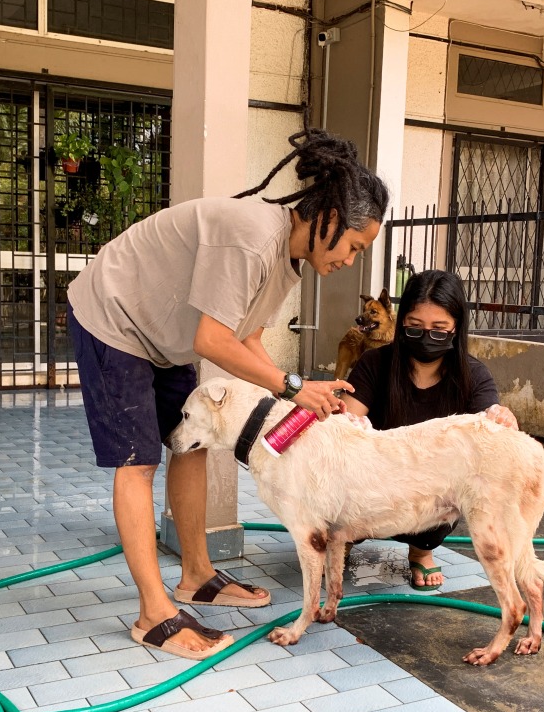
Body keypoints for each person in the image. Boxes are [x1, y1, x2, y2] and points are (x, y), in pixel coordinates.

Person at [66, 129, 389, 660]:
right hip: (114, 318)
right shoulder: (251, 237)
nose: (351, 261)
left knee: (189, 444)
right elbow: (212, 341)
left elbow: (248, 334)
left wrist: (295, 397)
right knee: (138, 459)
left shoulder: (288, 255)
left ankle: (195, 575)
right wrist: (293, 386)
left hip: (163, 338)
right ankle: (152, 614)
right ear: (327, 216)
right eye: (354, 246)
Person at [341, 269, 519, 590]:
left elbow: (489, 418)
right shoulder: (374, 363)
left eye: (439, 329)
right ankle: (344, 536)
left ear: (456, 327)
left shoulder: (473, 376)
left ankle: (421, 552)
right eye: (415, 327)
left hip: (429, 492)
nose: (426, 337)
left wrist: (499, 419)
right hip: (375, 480)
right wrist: (345, 425)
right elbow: (348, 423)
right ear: (401, 322)